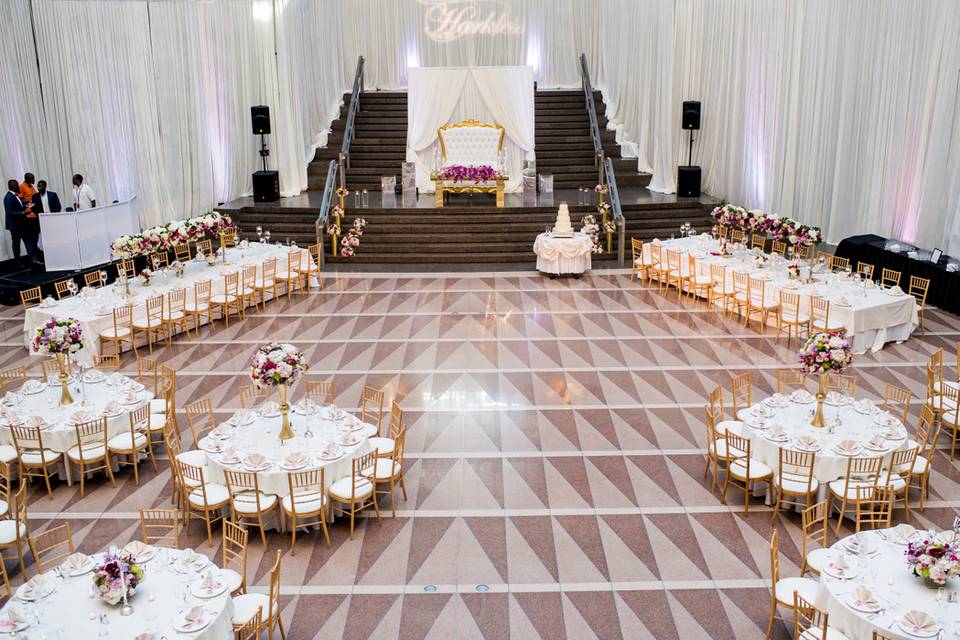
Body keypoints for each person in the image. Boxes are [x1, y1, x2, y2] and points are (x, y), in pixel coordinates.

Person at [4, 179, 39, 265]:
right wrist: (24, 212)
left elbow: (20, 206)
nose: (19, 187)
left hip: (22, 224)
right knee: (16, 244)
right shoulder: (8, 197)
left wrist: (27, 206)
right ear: (13, 186)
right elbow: (10, 212)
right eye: (17, 185)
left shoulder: (16, 196)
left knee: (28, 242)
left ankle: (33, 260)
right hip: (15, 226)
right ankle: (18, 261)